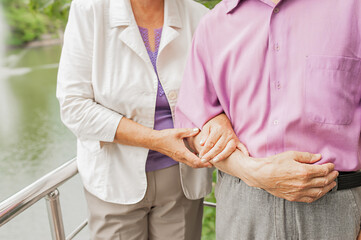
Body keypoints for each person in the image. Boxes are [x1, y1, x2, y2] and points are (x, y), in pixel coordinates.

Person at [175, 0, 361, 239]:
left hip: (336, 208)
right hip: (243, 210)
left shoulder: (351, 7)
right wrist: (250, 170)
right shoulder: (214, 24)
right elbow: (193, 128)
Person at [56, 0, 242, 239]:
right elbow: (74, 107)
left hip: (182, 179)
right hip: (115, 178)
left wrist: (220, 117)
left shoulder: (200, 16)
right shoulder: (90, 10)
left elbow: (225, 95)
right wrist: (155, 140)